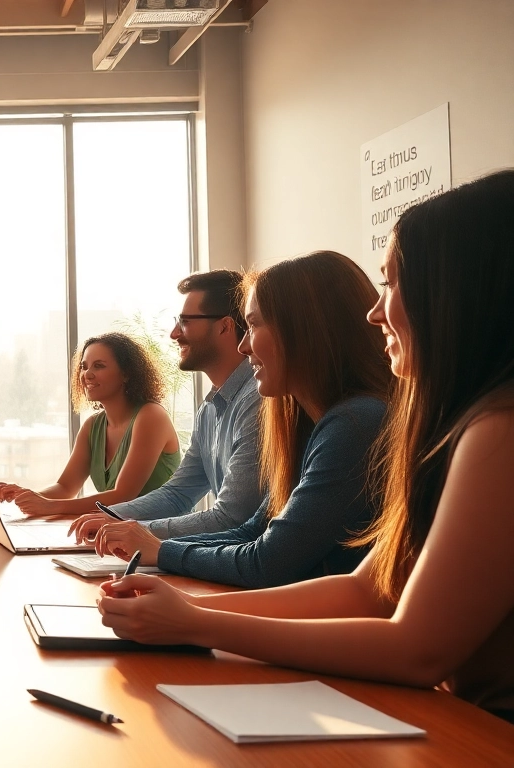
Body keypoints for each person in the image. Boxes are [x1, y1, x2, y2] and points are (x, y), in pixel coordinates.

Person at [97, 170, 514, 723]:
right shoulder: (459, 425)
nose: (375, 311)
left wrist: (196, 621)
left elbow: (418, 649)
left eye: (391, 285)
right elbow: (369, 591)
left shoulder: (495, 431)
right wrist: (188, 609)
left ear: (455, 292)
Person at [90, 251, 391, 588]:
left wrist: (160, 551)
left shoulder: (355, 424)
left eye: (254, 326)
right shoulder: (305, 424)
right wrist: (154, 546)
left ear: (303, 329)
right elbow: (252, 530)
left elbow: (267, 560)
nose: (245, 347)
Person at [69, 271, 264, 542]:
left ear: (225, 327)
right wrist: (111, 518)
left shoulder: (258, 402)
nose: (174, 334)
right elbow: (178, 493)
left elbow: (231, 517)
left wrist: (133, 531)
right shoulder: (209, 409)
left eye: (185, 322)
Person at [0, 332, 181, 517]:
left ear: (126, 374)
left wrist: (50, 507)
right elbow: (65, 488)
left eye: (98, 366)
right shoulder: (93, 426)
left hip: (163, 539)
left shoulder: (151, 416)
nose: (87, 374)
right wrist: (25, 495)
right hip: (119, 534)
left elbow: (123, 496)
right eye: (84, 367)